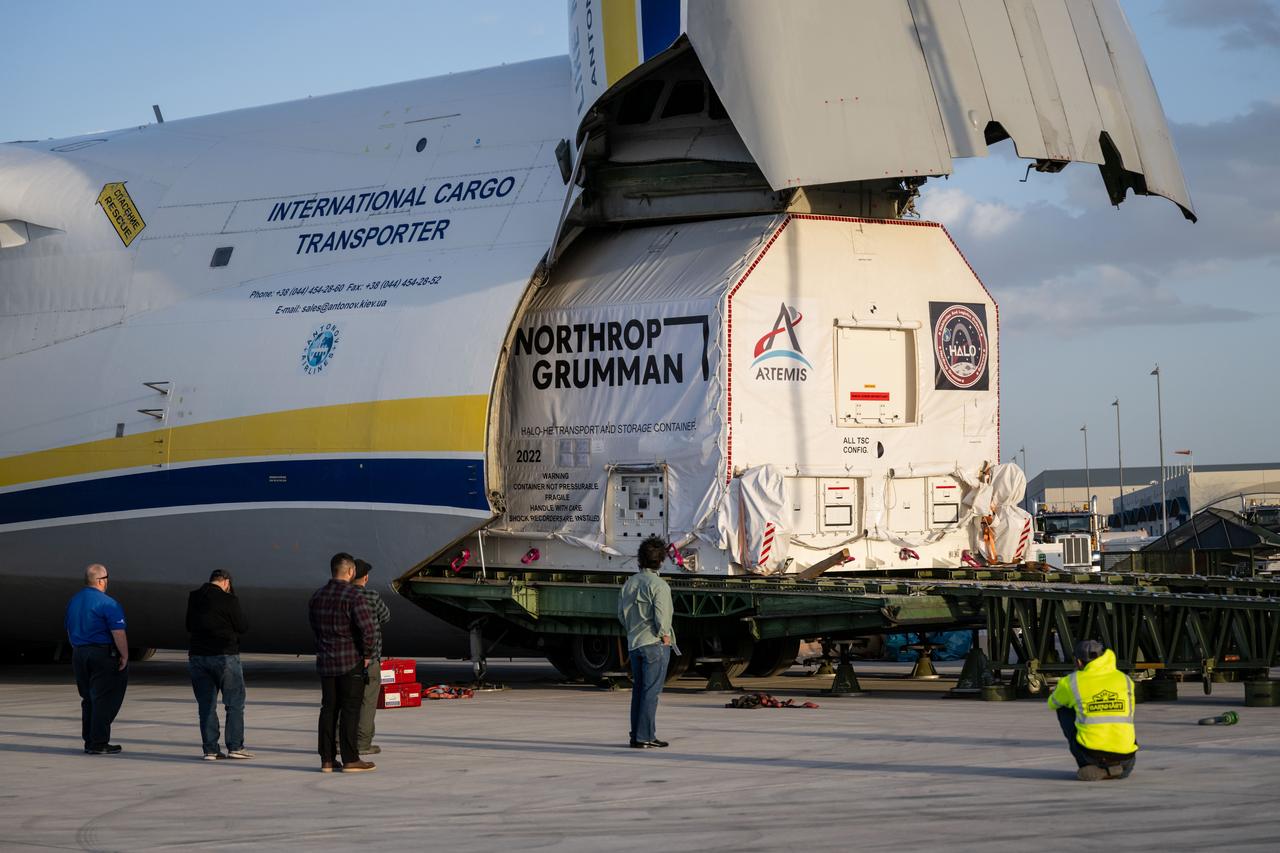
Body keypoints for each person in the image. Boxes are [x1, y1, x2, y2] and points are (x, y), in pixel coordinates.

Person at [308, 552, 378, 773]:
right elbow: (368, 629)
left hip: (326, 661)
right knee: (350, 709)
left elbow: (314, 627)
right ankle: (350, 758)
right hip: (350, 661)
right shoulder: (354, 596)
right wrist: (367, 654)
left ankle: (327, 760)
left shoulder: (317, 596)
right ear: (351, 571)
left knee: (328, 709)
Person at [1047, 639, 1138, 781]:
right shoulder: (1124, 679)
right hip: (1126, 759)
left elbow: (1052, 703)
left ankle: (1094, 767)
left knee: (1063, 707)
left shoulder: (1071, 681)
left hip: (1090, 756)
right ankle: (1114, 770)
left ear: (1078, 662)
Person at [186, 568, 251, 760]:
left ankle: (211, 750)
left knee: (206, 705)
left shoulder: (194, 597)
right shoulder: (229, 600)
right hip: (225, 656)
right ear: (226, 582)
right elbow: (242, 626)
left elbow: (188, 625)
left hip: (198, 657)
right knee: (234, 703)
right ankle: (235, 746)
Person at [617, 536, 675, 749]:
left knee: (639, 692)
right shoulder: (660, 586)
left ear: (640, 560)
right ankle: (645, 736)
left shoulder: (629, 584)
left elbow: (621, 616)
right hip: (654, 644)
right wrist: (665, 636)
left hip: (635, 643)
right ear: (661, 561)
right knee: (651, 692)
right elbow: (662, 617)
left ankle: (638, 735)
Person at [64, 563, 129, 755]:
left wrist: (78, 649)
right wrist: (124, 655)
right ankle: (99, 742)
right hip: (101, 654)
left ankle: (90, 740)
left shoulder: (73, 601)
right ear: (101, 581)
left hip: (79, 653)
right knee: (104, 698)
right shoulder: (108, 603)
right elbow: (118, 632)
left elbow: (69, 629)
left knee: (88, 698)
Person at [352, 558, 391, 756]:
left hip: (346, 657)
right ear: (365, 577)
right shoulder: (372, 596)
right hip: (370, 657)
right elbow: (386, 616)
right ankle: (363, 743)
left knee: (346, 700)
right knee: (368, 702)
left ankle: (339, 740)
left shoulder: (344, 596)